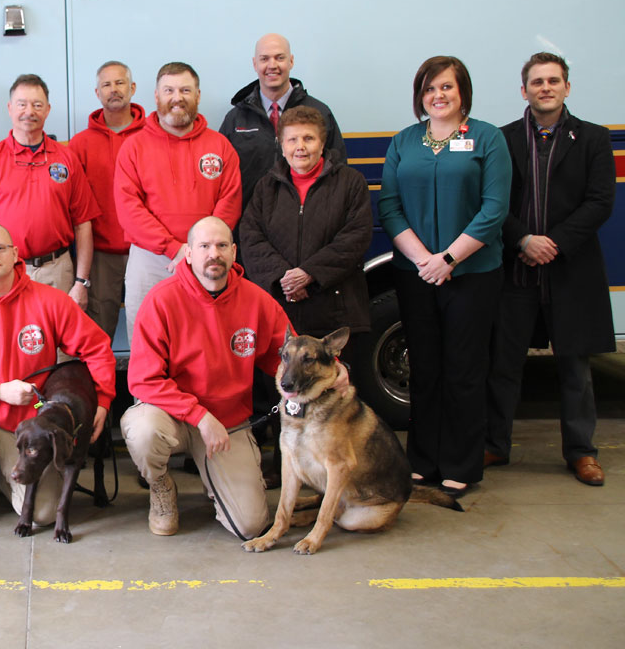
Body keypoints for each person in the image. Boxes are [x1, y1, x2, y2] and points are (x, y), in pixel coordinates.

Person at [379, 56, 510, 496]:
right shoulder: (404, 142)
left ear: (462, 92)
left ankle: (461, 463)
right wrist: (424, 261)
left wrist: (448, 259)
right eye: (430, 88)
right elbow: (390, 207)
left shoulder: (487, 139)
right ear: (420, 95)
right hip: (416, 274)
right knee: (426, 370)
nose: (438, 96)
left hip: (472, 274)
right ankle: (424, 459)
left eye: (447, 88)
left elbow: (494, 210)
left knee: (464, 370)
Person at [0, 223, 115, 529]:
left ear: (15, 254)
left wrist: (104, 400)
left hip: (35, 424)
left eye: (0, 248)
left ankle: (1, 476)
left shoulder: (50, 301)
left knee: (42, 517)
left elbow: (97, 348)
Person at [122, 217, 296, 539]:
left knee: (251, 526)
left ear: (233, 252)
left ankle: (215, 476)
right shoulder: (161, 300)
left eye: (220, 246)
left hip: (228, 423)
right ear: (188, 253)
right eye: (203, 246)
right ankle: (160, 487)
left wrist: (332, 372)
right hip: (172, 417)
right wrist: (199, 415)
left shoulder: (257, 301)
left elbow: (288, 358)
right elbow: (143, 380)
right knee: (142, 427)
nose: (212, 254)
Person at [486, 53, 615, 486]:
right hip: (516, 270)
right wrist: (522, 239)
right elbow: (492, 203)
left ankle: (582, 452)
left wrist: (552, 244)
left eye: (553, 81)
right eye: (537, 81)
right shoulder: (501, 140)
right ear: (523, 90)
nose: (545, 87)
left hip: (570, 271)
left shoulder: (594, 139)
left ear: (567, 88)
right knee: (504, 364)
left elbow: (600, 202)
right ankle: (494, 445)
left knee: (575, 367)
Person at [114, 61, 242, 337]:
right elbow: (129, 209)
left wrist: (202, 248)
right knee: (146, 339)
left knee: (205, 340)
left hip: (208, 258)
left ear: (197, 95)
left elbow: (229, 202)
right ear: (157, 96)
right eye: (169, 90)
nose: (177, 97)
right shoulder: (133, 147)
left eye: (185, 90)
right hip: (150, 260)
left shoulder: (220, 146)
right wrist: (173, 248)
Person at [0, 74, 99, 304]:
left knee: (58, 338)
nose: (29, 111)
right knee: (5, 339)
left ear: (48, 109)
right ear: (10, 108)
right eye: (22, 104)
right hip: (3, 271)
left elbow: (83, 224)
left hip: (57, 271)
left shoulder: (66, 158)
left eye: (37, 105)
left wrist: (81, 282)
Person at [239, 105, 372, 350]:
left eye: (309, 138)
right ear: (281, 144)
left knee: (335, 386)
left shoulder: (351, 183)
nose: (300, 146)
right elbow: (251, 238)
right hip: (280, 310)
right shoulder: (266, 187)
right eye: (292, 139)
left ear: (322, 144)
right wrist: (284, 278)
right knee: (280, 386)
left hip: (334, 315)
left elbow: (356, 237)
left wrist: (309, 274)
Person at [219, 33, 347, 210]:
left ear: (291, 61)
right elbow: (221, 180)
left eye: (280, 58)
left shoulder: (319, 113)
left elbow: (338, 172)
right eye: (264, 59)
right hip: (249, 224)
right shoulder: (235, 119)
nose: (272, 65)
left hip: (307, 221)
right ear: (255, 64)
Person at [68, 60, 146, 343]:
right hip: (100, 255)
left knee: (152, 332)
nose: (114, 90)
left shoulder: (154, 137)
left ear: (133, 88)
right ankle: (100, 389)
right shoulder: (80, 144)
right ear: (97, 92)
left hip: (147, 251)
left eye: (120, 83)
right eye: (106, 85)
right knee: (97, 336)